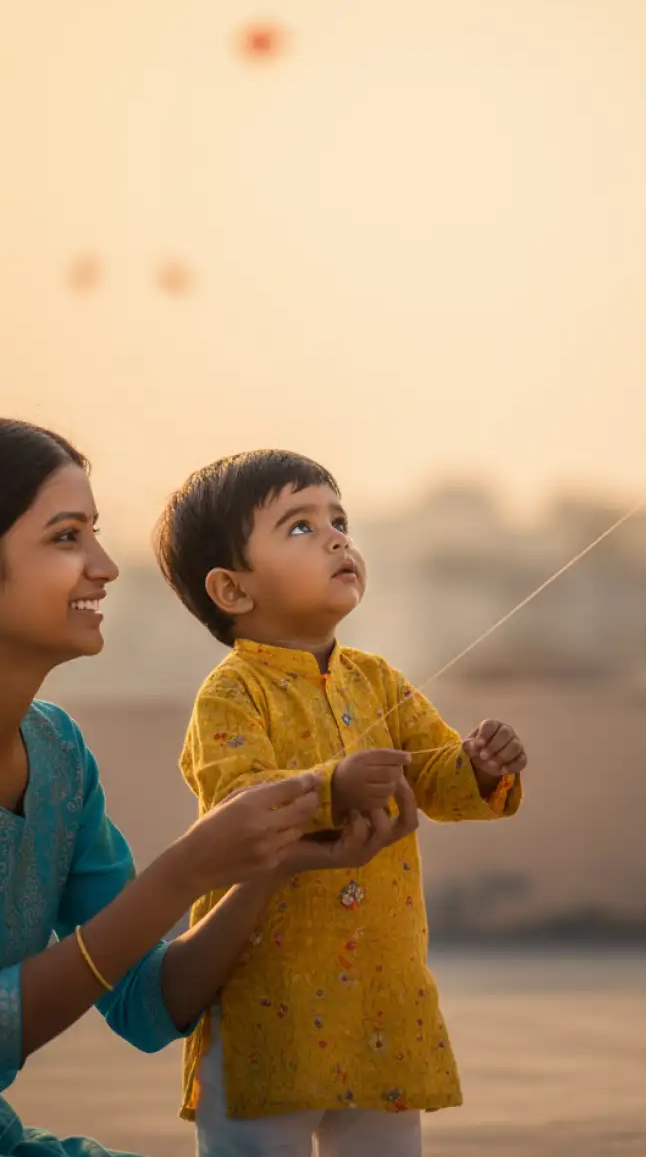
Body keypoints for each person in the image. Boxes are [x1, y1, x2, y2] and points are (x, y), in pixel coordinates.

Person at [0, 419, 419, 1157]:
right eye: (67, 537)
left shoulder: (58, 756)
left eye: (95, 533)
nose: (104, 565)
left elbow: (148, 1006)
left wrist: (269, 863)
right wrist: (186, 869)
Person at [154, 449, 528, 1155]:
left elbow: (439, 780)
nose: (335, 537)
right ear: (232, 591)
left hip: (381, 1005)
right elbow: (239, 803)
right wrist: (333, 788)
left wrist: (481, 767)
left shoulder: (378, 679)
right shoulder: (231, 694)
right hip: (267, 1006)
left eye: (339, 519)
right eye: (300, 527)